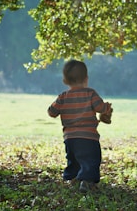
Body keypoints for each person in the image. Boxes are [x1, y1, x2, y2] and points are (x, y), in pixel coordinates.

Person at [48, 60, 113, 193]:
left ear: (65, 80)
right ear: (86, 78)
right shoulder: (90, 94)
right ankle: (87, 182)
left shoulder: (63, 97)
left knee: (73, 159)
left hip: (70, 138)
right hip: (88, 137)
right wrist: (107, 108)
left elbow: (51, 112)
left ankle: (71, 179)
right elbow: (100, 107)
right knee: (91, 160)